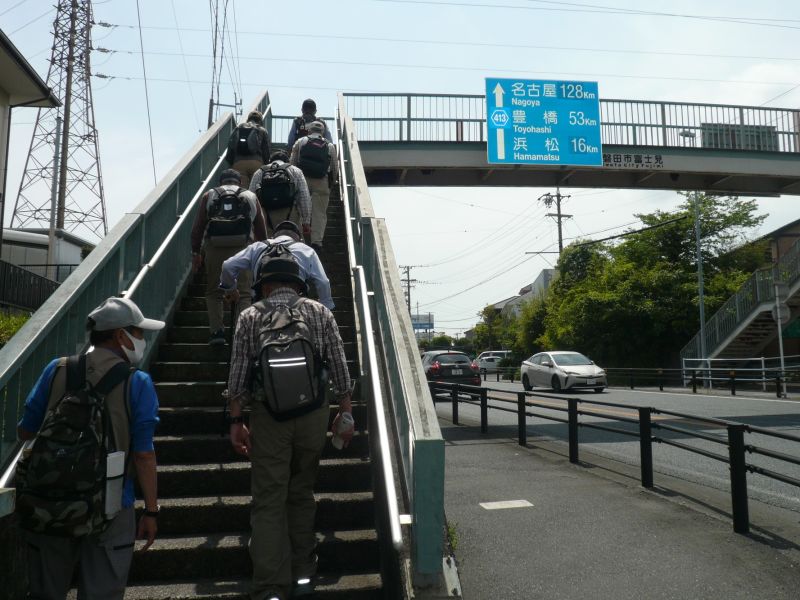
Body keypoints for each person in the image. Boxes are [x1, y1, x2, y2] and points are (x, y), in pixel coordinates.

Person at [16, 296, 163, 600]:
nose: (142, 339)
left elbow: (26, 430)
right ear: (120, 335)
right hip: (112, 503)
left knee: (46, 592)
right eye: (138, 332)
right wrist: (151, 510)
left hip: (49, 502)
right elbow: (143, 455)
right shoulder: (138, 383)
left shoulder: (57, 369)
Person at [227, 256, 353, 600]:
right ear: (299, 284)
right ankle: (303, 577)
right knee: (301, 492)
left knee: (269, 499)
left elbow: (238, 375)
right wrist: (345, 412)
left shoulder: (250, 316)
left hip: (269, 417)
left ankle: (270, 587)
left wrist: (236, 420)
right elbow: (339, 366)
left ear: (264, 285)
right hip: (313, 415)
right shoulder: (319, 312)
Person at [191, 168, 267, 345]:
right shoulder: (250, 196)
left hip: (214, 247)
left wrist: (196, 253)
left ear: (221, 182)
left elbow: (197, 228)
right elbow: (261, 230)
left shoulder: (209, 195)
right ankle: (242, 333)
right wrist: (261, 254)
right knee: (244, 293)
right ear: (239, 182)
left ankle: (217, 332)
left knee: (214, 291)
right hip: (243, 248)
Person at [220, 220, 334, 310]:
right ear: (299, 239)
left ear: (273, 237)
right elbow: (323, 282)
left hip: (262, 303)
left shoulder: (258, 246)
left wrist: (231, 290)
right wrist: (326, 306)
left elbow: (227, 266)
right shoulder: (306, 250)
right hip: (296, 304)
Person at [290, 121, 339, 253]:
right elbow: (335, 167)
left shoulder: (301, 141)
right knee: (320, 213)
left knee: (299, 209)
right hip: (322, 181)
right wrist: (331, 184)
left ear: (309, 130)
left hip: (302, 178)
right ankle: (316, 243)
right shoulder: (329, 145)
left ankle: (298, 239)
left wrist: (293, 181)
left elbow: (292, 162)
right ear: (323, 132)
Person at [249, 150, 311, 238]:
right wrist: (306, 221)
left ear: (270, 161)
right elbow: (304, 197)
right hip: (290, 214)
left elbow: (251, 197)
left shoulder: (259, 172)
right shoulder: (295, 170)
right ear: (287, 161)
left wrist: (252, 222)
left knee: (268, 243)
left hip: (266, 215)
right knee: (292, 242)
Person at [225, 110, 271, 189]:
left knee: (242, 191)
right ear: (260, 120)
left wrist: (232, 164)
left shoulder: (237, 128)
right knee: (256, 190)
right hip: (257, 163)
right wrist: (265, 165)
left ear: (248, 119)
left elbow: (230, 148)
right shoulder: (262, 130)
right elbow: (266, 151)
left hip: (239, 163)